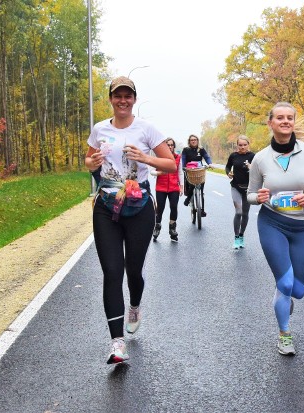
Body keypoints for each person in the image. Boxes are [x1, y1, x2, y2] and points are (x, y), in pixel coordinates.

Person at [85, 76, 176, 364]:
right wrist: (92, 163)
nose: (122, 100)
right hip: (107, 206)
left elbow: (171, 163)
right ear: (111, 99)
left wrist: (145, 158)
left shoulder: (146, 129)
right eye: (117, 96)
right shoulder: (100, 128)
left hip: (139, 207)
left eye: (128, 96)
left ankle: (134, 305)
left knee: (133, 270)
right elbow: (88, 161)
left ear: (134, 99)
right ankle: (117, 343)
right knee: (112, 272)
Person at [247, 102, 304, 356]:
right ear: (270, 123)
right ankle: (284, 334)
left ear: (294, 122)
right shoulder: (260, 158)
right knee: (286, 283)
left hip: (303, 225)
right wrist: (257, 198)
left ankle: (284, 293)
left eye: (289, 118)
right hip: (272, 222)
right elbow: (249, 194)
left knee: (299, 291)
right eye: (279, 118)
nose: (285, 122)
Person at [225, 135, 255, 249]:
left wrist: (251, 167)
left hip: (248, 189)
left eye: (245, 145)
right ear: (237, 145)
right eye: (240, 145)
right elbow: (227, 167)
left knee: (245, 213)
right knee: (238, 212)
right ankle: (236, 237)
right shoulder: (233, 156)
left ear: (248, 145)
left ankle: (242, 235)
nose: (242, 147)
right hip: (236, 187)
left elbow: (258, 172)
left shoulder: (253, 156)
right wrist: (228, 173)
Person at [151, 138, 183, 242]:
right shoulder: (160, 158)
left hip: (174, 187)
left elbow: (180, 172)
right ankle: (157, 227)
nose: (169, 147)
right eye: (167, 145)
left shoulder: (178, 158)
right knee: (160, 208)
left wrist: (181, 186)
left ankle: (172, 229)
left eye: (171, 145)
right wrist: (159, 173)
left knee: (173, 207)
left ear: (174, 146)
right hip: (161, 187)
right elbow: (151, 171)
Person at [181, 134, 213, 216]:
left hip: (199, 171)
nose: (193, 141)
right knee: (190, 186)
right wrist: (183, 167)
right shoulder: (186, 150)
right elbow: (183, 159)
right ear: (189, 141)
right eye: (192, 140)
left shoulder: (201, 149)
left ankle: (202, 210)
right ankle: (188, 198)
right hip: (189, 171)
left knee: (201, 191)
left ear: (197, 141)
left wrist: (210, 164)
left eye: (195, 139)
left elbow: (206, 157)